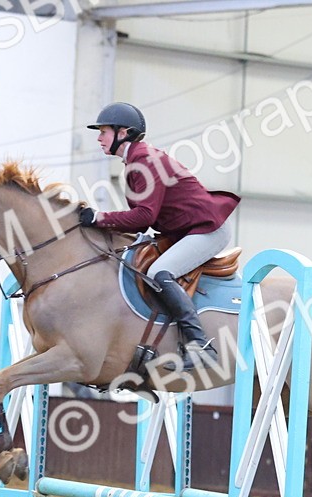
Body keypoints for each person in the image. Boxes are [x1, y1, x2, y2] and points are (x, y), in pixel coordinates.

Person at [79, 102, 240, 371]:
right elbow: (142, 224)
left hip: (207, 228)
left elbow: (144, 217)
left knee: (158, 272)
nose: (99, 138)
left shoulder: (144, 160)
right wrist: (98, 223)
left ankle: (200, 346)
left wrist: (100, 218)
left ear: (123, 133)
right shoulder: (135, 161)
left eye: (104, 131)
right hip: (184, 230)